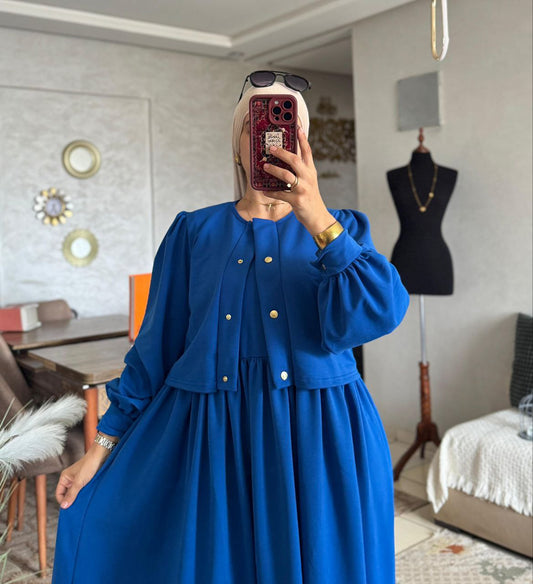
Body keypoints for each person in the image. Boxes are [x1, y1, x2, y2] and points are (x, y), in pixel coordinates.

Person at [52, 72, 410, 584]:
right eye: (256, 125)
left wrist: (314, 214)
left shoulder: (343, 228)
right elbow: (154, 350)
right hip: (213, 437)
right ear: (237, 146)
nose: (270, 138)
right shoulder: (193, 231)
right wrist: (100, 449)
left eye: (287, 126)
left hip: (321, 435)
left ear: (304, 143)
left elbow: (382, 311)